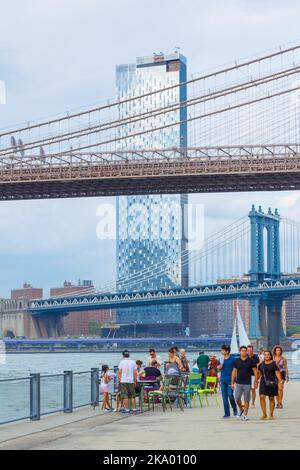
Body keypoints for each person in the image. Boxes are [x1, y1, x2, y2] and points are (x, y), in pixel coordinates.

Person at [231, 346, 258, 421]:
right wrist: (232, 383)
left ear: (247, 352)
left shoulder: (251, 360)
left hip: (247, 383)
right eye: (242, 351)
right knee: (237, 398)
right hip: (238, 382)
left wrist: (256, 381)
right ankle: (241, 409)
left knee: (246, 400)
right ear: (240, 352)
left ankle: (245, 415)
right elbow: (234, 372)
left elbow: (255, 371)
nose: (244, 352)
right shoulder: (236, 361)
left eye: (245, 351)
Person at [257, 350, 283, 420]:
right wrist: (256, 381)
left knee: (271, 398)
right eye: (265, 355)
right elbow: (259, 374)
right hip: (263, 382)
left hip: (272, 382)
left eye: (268, 355)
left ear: (270, 356)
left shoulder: (274, 364)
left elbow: (277, 373)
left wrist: (280, 382)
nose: (267, 356)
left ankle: (271, 414)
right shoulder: (261, 364)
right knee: (261, 397)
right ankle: (264, 414)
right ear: (263, 356)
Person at [218, 345, 238, 419]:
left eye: (223, 350)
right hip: (223, 379)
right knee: (224, 397)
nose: (221, 351)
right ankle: (227, 413)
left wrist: (233, 381)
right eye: (221, 350)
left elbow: (235, 370)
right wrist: (220, 366)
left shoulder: (233, 360)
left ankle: (235, 409)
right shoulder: (220, 359)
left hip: (230, 380)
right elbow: (218, 368)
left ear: (227, 351)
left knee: (230, 395)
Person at [118, 350, 138, 414]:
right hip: (131, 381)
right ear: (129, 355)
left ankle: (127, 410)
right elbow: (135, 373)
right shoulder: (133, 362)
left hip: (123, 381)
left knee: (125, 396)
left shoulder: (122, 362)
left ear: (123, 355)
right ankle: (134, 409)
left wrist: (119, 381)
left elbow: (119, 373)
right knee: (132, 396)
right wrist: (135, 381)